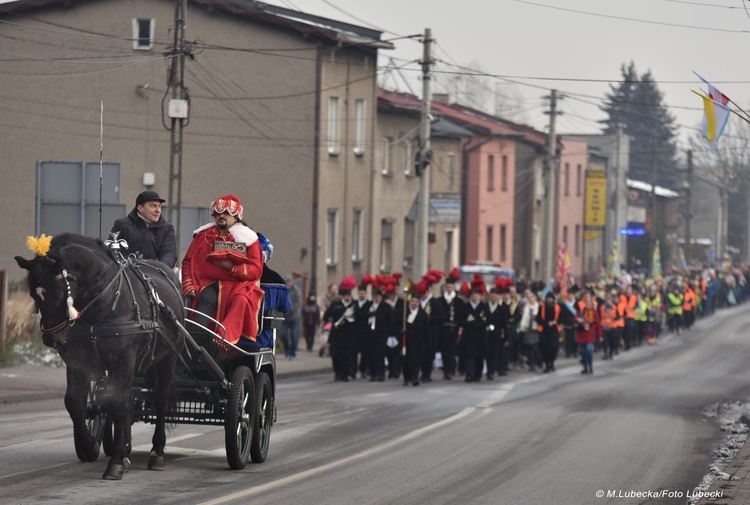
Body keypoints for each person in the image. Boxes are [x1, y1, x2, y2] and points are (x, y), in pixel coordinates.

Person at [181, 194, 264, 345]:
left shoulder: (248, 239)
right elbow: (187, 261)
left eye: (227, 213)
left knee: (241, 301)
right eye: (219, 213)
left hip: (239, 285)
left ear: (236, 216)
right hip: (209, 282)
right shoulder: (203, 236)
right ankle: (196, 341)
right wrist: (189, 285)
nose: (222, 216)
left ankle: (223, 341)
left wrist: (232, 268)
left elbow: (256, 270)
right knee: (205, 300)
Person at [111, 190, 176, 268]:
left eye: (159, 206)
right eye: (153, 206)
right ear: (140, 208)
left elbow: (169, 253)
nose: (158, 210)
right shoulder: (121, 225)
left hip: (157, 274)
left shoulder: (167, 228)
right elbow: (112, 252)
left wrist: (161, 269)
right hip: (128, 273)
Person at [323, 277, 358, 382]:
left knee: (347, 356)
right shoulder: (336, 304)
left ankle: (345, 374)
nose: (347, 297)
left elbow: (358, 318)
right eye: (346, 295)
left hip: (348, 334)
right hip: (336, 334)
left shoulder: (354, 305)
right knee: (336, 356)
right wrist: (330, 321)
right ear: (342, 296)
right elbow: (327, 315)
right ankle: (337, 372)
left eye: (349, 295)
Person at [434, 271, 463, 380]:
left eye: (451, 287)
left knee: (452, 350)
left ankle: (450, 370)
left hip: (454, 329)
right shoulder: (440, 301)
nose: (449, 289)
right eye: (447, 287)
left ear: (453, 288)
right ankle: (446, 370)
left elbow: (461, 315)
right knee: (444, 351)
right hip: (444, 328)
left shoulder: (458, 301)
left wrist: (457, 322)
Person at [459, 287, 489, 383]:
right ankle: (469, 374)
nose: (475, 298)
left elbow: (489, 319)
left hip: (480, 334)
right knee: (469, 356)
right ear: (470, 297)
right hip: (469, 334)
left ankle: (478, 374)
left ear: (479, 297)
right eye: (473, 296)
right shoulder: (465, 307)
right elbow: (460, 320)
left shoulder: (484, 306)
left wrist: (480, 324)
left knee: (479, 356)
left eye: (476, 295)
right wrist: (469, 323)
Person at [403, 296, 430, 387]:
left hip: (418, 341)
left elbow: (427, 329)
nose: (414, 303)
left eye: (416, 301)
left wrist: (428, 342)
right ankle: (407, 378)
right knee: (406, 361)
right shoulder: (404, 313)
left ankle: (414, 378)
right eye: (412, 301)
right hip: (406, 341)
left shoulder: (423, 314)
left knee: (416, 361)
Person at [366, 287, 391, 382]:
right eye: (374, 297)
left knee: (380, 355)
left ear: (380, 297)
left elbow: (389, 320)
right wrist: (369, 314)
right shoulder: (369, 305)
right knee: (371, 355)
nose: (375, 299)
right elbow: (362, 315)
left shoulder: (385, 306)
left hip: (381, 334)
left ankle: (381, 374)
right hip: (370, 334)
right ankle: (372, 374)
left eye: (377, 297)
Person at [576, 289, 601, 375]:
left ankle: (590, 366)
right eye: (587, 303)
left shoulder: (594, 312)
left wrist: (600, 336)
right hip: (582, 334)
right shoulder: (582, 311)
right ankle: (585, 367)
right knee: (583, 352)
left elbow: (598, 324)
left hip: (590, 334)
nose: (588, 305)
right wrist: (578, 319)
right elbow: (575, 317)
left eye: (590, 303)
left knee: (588, 350)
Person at [537, 292, 561, 373]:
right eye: (548, 298)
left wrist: (556, 322)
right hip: (544, 331)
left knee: (553, 348)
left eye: (551, 298)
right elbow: (538, 319)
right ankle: (546, 365)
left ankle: (552, 363)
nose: (549, 300)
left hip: (554, 331)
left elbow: (561, 318)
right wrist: (546, 323)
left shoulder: (557, 307)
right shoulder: (542, 307)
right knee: (545, 349)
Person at [280, 276, 302, 360]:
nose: (288, 283)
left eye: (290, 282)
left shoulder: (296, 291)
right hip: (285, 317)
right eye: (287, 282)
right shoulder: (283, 290)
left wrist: (291, 309)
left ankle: (292, 352)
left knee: (294, 335)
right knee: (283, 335)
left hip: (294, 317)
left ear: (292, 282)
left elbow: (298, 302)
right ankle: (287, 349)